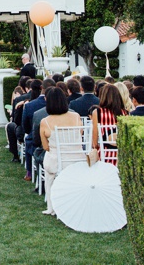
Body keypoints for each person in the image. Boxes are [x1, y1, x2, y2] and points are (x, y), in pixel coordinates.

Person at [40, 87, 83, 216]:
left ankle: (51, 207)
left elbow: (45, 147)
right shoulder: (76, 117)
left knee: (48, 170)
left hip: (57, 162)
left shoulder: (45, 122)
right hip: (77, 159)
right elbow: (80, 135)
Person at [91, 83, 127, 162]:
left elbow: (95, 143)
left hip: (104, 156)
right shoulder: (125, 113)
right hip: (121, 156)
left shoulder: (97, 112)